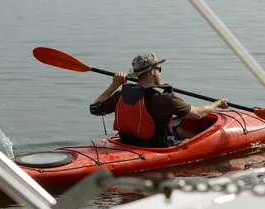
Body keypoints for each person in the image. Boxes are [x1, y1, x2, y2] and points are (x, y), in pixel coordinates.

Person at [91, 52, 228, 148]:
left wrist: (114, 85)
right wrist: (217, 103)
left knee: (178, 128)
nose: (160, 72)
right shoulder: (165, 99)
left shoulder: (119, 95)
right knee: (183, 130)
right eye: (159, 69)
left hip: (127, 142)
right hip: (156, 147)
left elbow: (95, 109)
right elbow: (198, 114)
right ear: (152, 71)